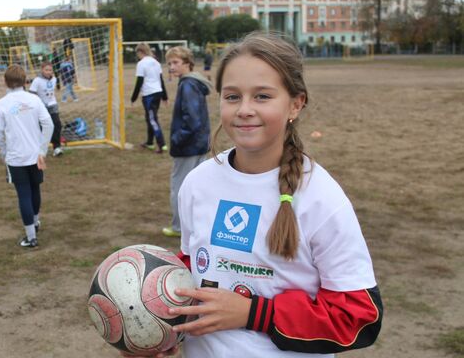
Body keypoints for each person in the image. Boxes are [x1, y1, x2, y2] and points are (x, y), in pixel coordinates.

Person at [162, 33, 383, 357]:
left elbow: (359, 317)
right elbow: (192, 266)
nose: (245, 110)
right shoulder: (197, 183)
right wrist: (162, 326)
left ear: (296, 103)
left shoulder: (322, 199)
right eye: (232, 96)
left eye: (262, 96)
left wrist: (256, 313)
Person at [0, 65, 54, 248]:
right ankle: (35, 221)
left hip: (16, 158)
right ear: (25, 81)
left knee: (24, 193)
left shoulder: (1, 104)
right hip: (35, 156)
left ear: (5, 82)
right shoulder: (33, 100)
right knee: (35, 189)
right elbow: (48, 125)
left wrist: (3, 154)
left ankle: (31, 236)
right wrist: (42, 150)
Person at [161, 46, 211, 238]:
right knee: (198, 186)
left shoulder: (188, 85)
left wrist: (176, 139)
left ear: (187, 64)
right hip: (199, 144)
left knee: (180, 187)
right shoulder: (194, 83)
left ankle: (179, 227)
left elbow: (192, 120)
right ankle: (197, 224)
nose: (171, 67)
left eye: (175, 63)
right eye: (169, 63)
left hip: (189, 146)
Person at [131, 43, 168, 154]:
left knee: (152, 119)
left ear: (140, 52)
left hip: (149, 95)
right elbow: (161, 80)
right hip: (158, 93)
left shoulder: (141, 64)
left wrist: (133, 98)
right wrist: (164, 96)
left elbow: (139, 82)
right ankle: (149, 143)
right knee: (149, 118)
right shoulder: (156, 62)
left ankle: (162, 144)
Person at [30, 61, 64, 157]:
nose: (48, 72)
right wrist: (38, 103)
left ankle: (57, 147)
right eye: (46, 70)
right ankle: (38, 149)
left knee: (57, 124)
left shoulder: (54, 79)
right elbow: (32, 93)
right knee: (41, 127)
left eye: (50, 70)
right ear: (42, 70)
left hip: (52, 105)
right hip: (41, 107)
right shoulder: (37, 80)